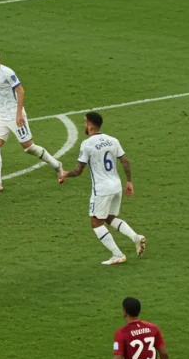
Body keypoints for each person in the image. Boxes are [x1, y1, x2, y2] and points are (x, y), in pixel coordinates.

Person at [0, 47, 63, 193]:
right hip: (0, 116)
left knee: (29, 148)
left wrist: (18, 114)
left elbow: (20, 91)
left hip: (14, 115)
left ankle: (57, 165)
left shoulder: (7, 72)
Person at [57, 112, 145, 265]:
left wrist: (65, 174)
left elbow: (78, 171)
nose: (84, 125)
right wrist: (129, 182)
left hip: (102, 189)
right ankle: (136, 238)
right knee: (109, 218)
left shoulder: (87, 144)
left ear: (90, 125)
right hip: (116, 185)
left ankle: (117, 254)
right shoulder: (113, 140)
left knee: (96, 223)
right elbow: (125, 161)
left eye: (85, 122)